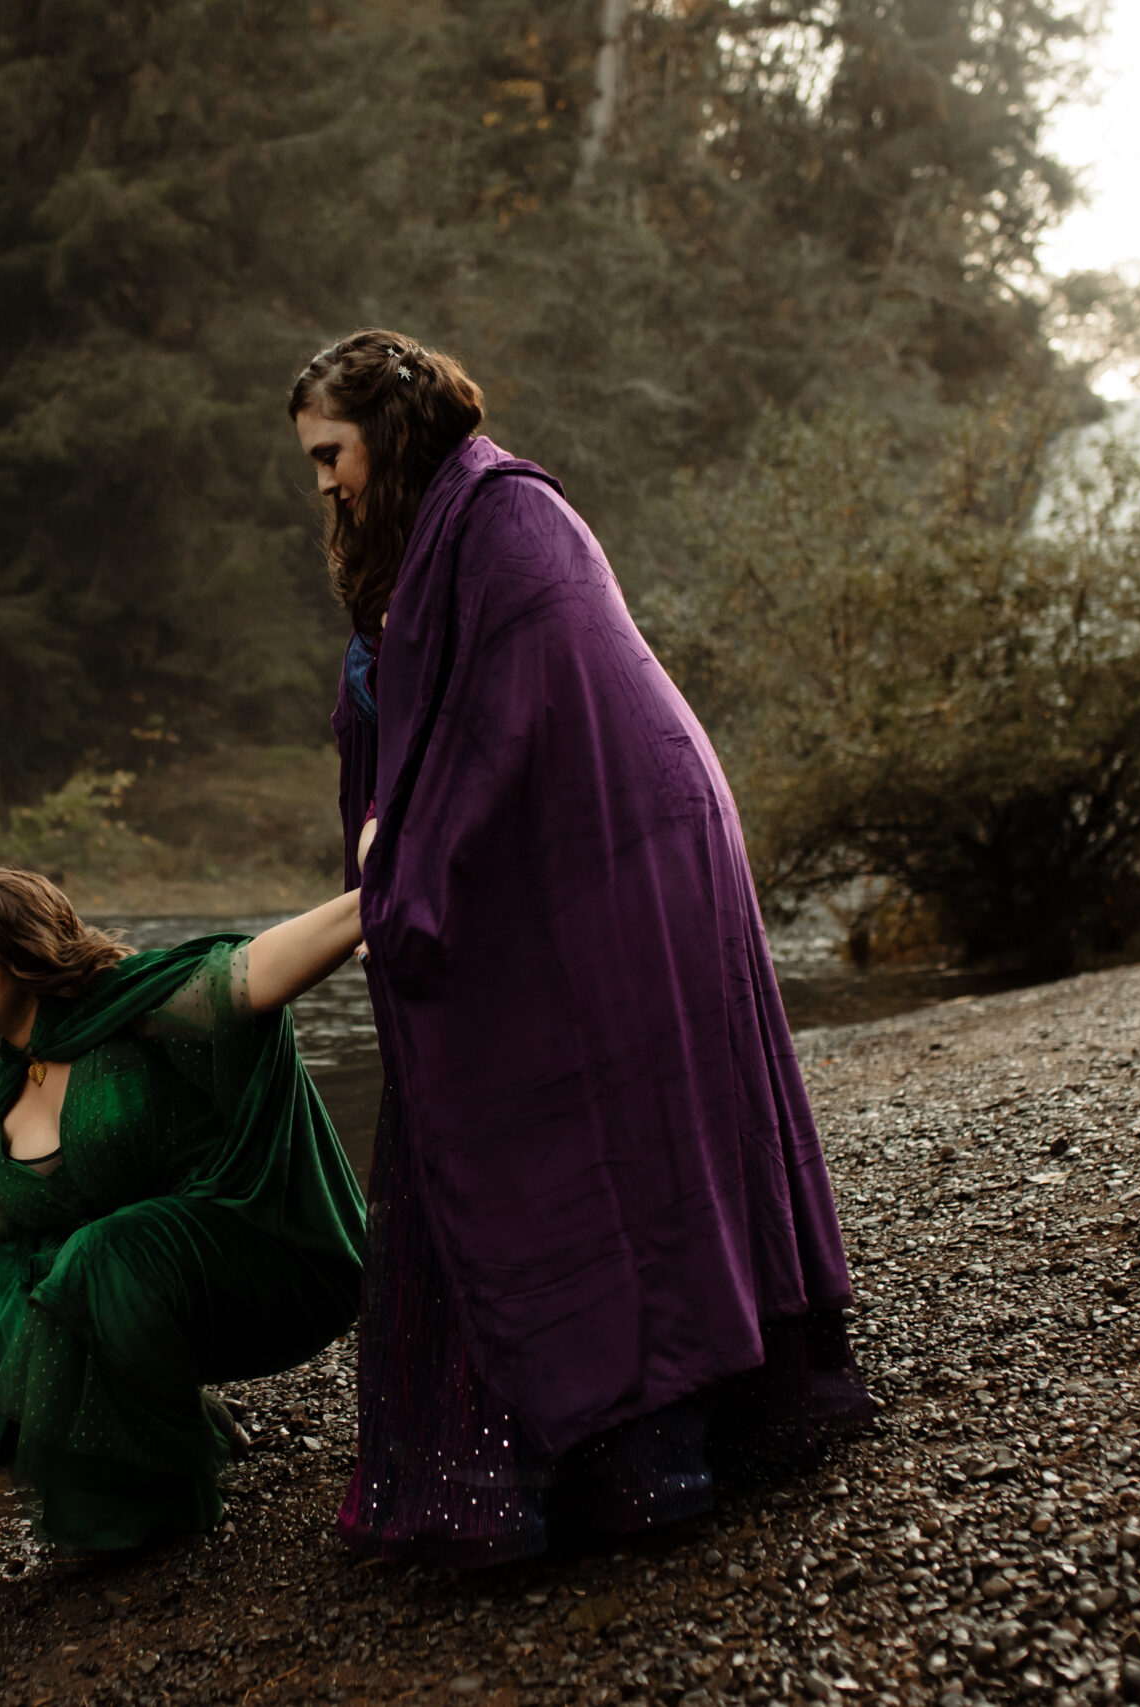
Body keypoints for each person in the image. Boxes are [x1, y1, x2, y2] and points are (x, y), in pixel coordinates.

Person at [294, 330, 873, 1566]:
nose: (324, 481)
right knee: (547, 1119)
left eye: (330, 453)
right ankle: (573, 1441)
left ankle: (647, 1443)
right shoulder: (422, 542)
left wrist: (413, 855)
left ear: (387, 434)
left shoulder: (511, 520)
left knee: (607, 1121)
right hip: (560, 856)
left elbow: (524, 711)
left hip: (622, 852)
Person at [0, 869, 368, 1555]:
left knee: (100, 1251)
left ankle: (169, 1507)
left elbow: (252, 974)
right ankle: (188, 1422)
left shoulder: (129, 1011)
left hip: (266, 1263)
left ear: (21, 947)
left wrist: (380, 892)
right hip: (152, 1298)